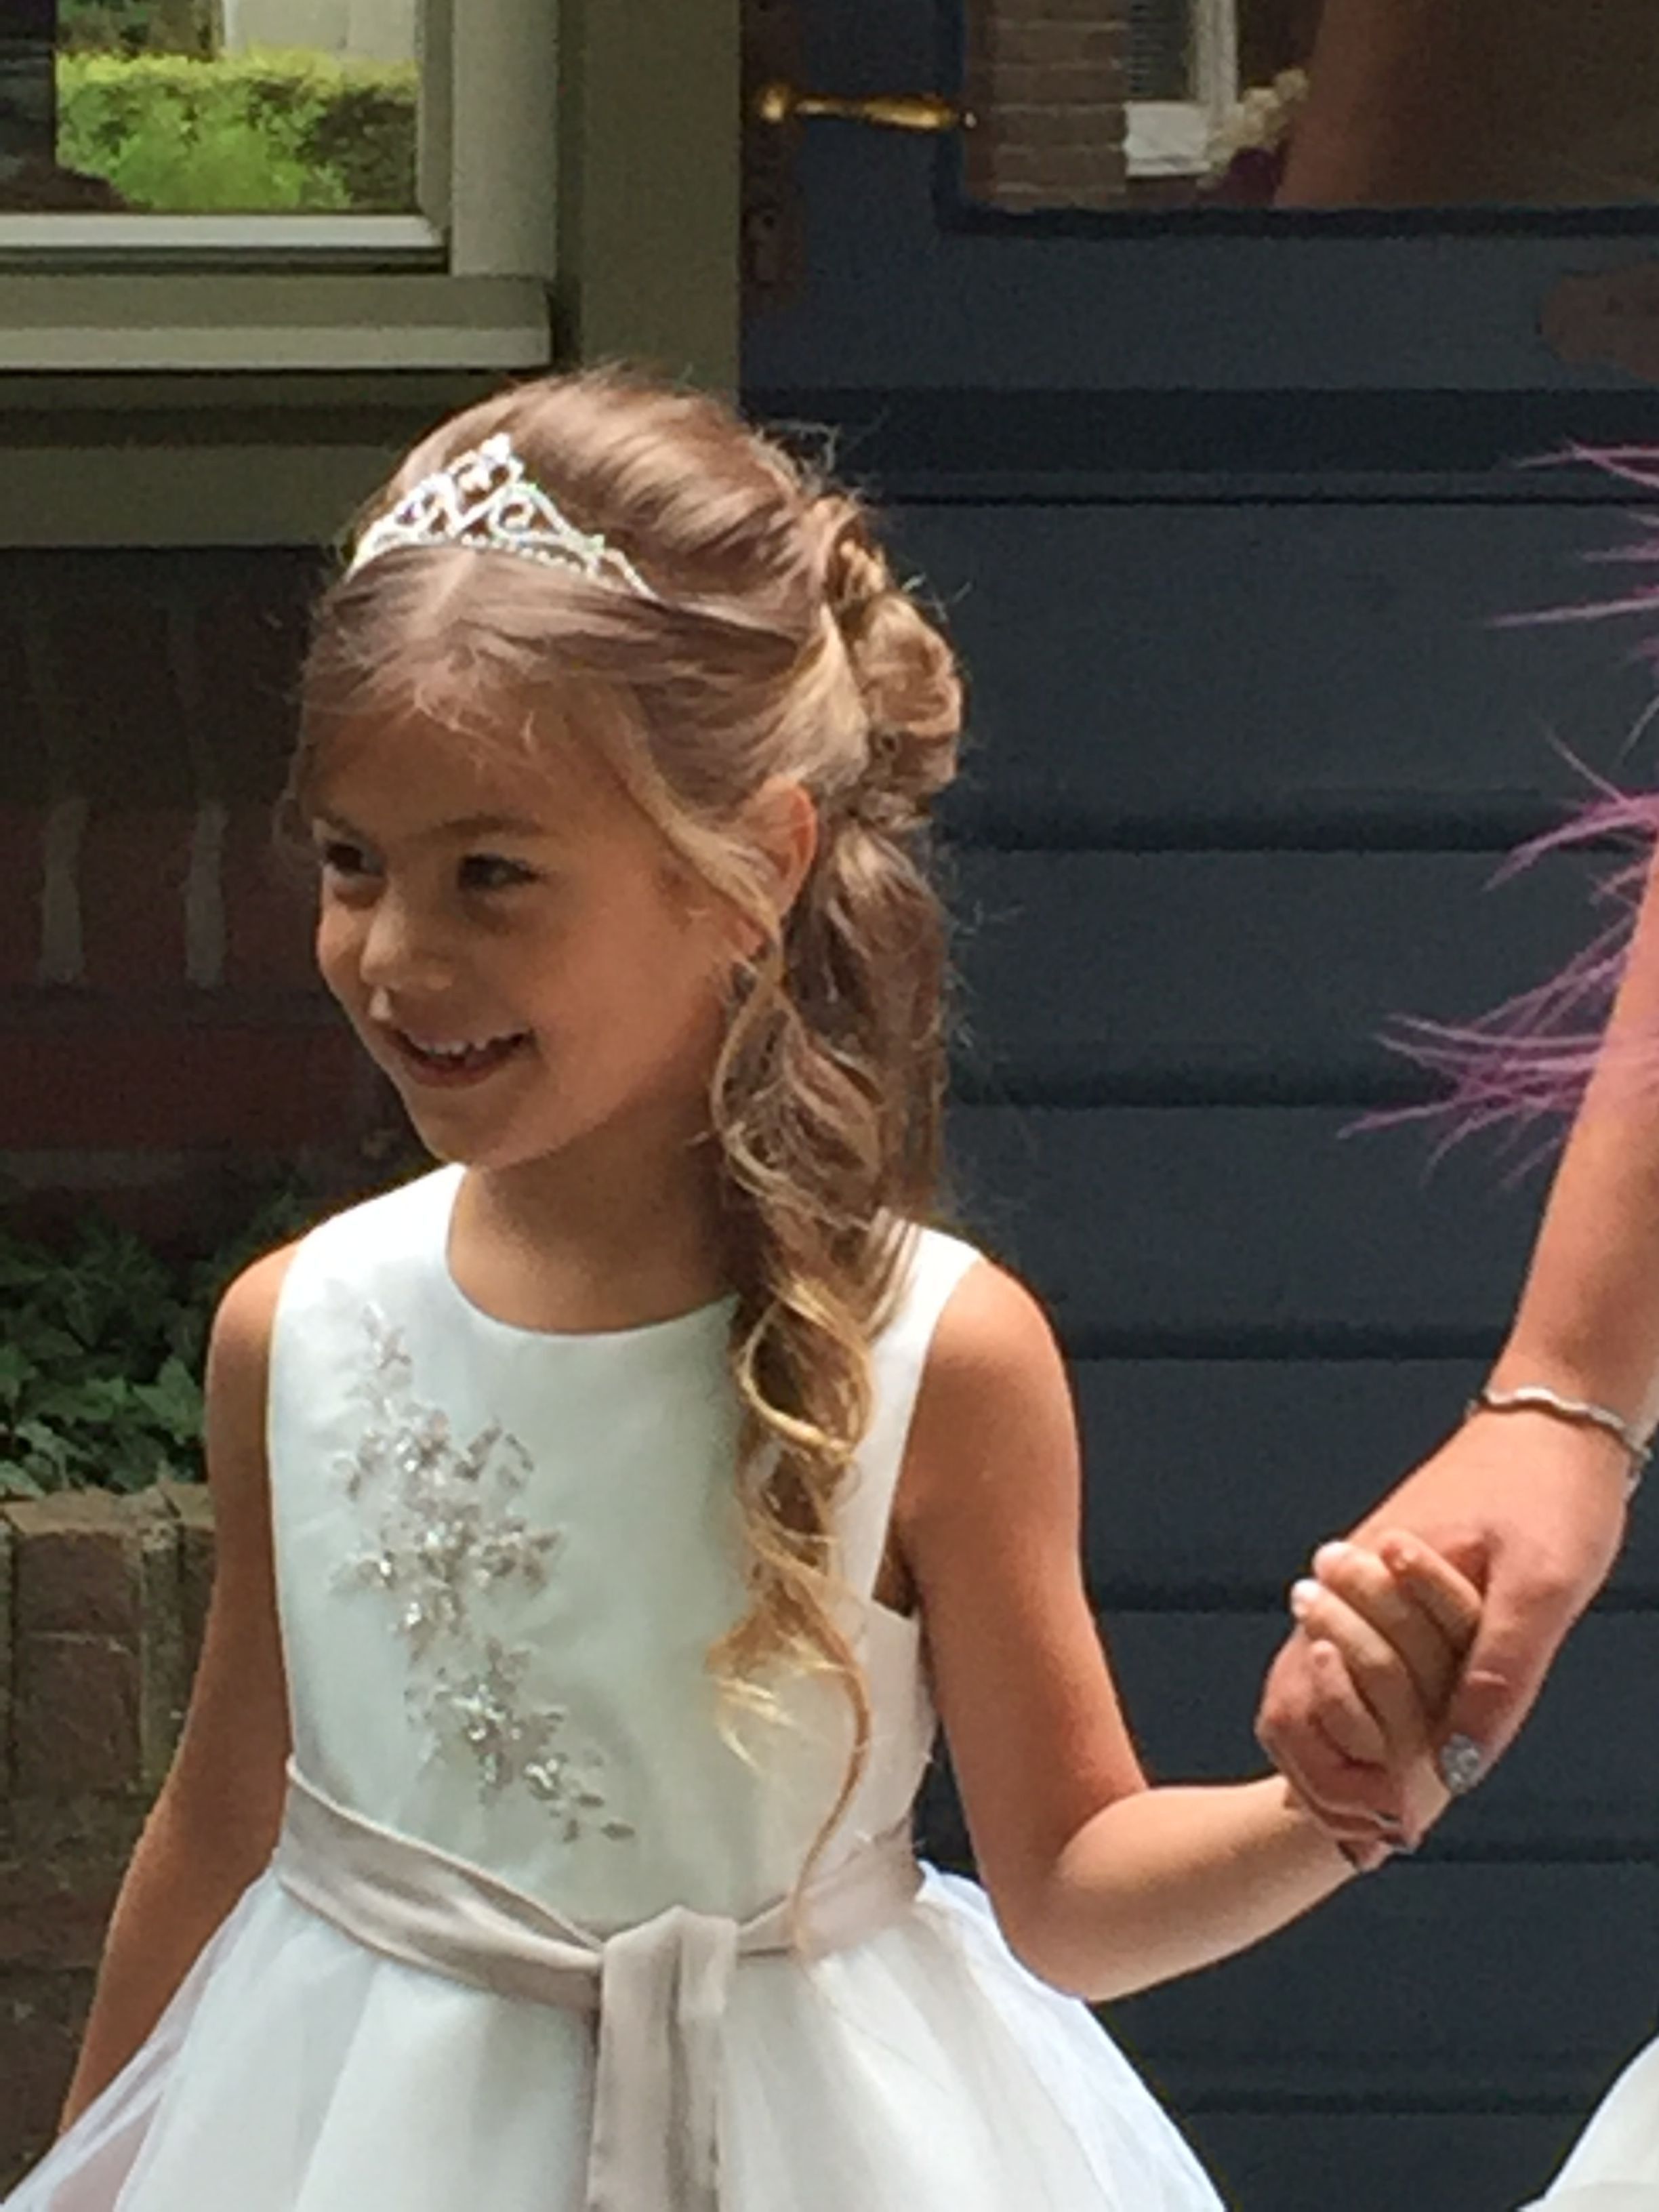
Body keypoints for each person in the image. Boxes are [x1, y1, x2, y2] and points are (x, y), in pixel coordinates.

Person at [7, 369, 1479, 2212]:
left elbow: (1073, 1890)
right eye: (353, 864)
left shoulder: (937, 1360)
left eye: (492, 875)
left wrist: (1330, 1809)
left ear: (750, 873)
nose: (395, 953)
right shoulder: (293, 1334)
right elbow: (226, 1816)